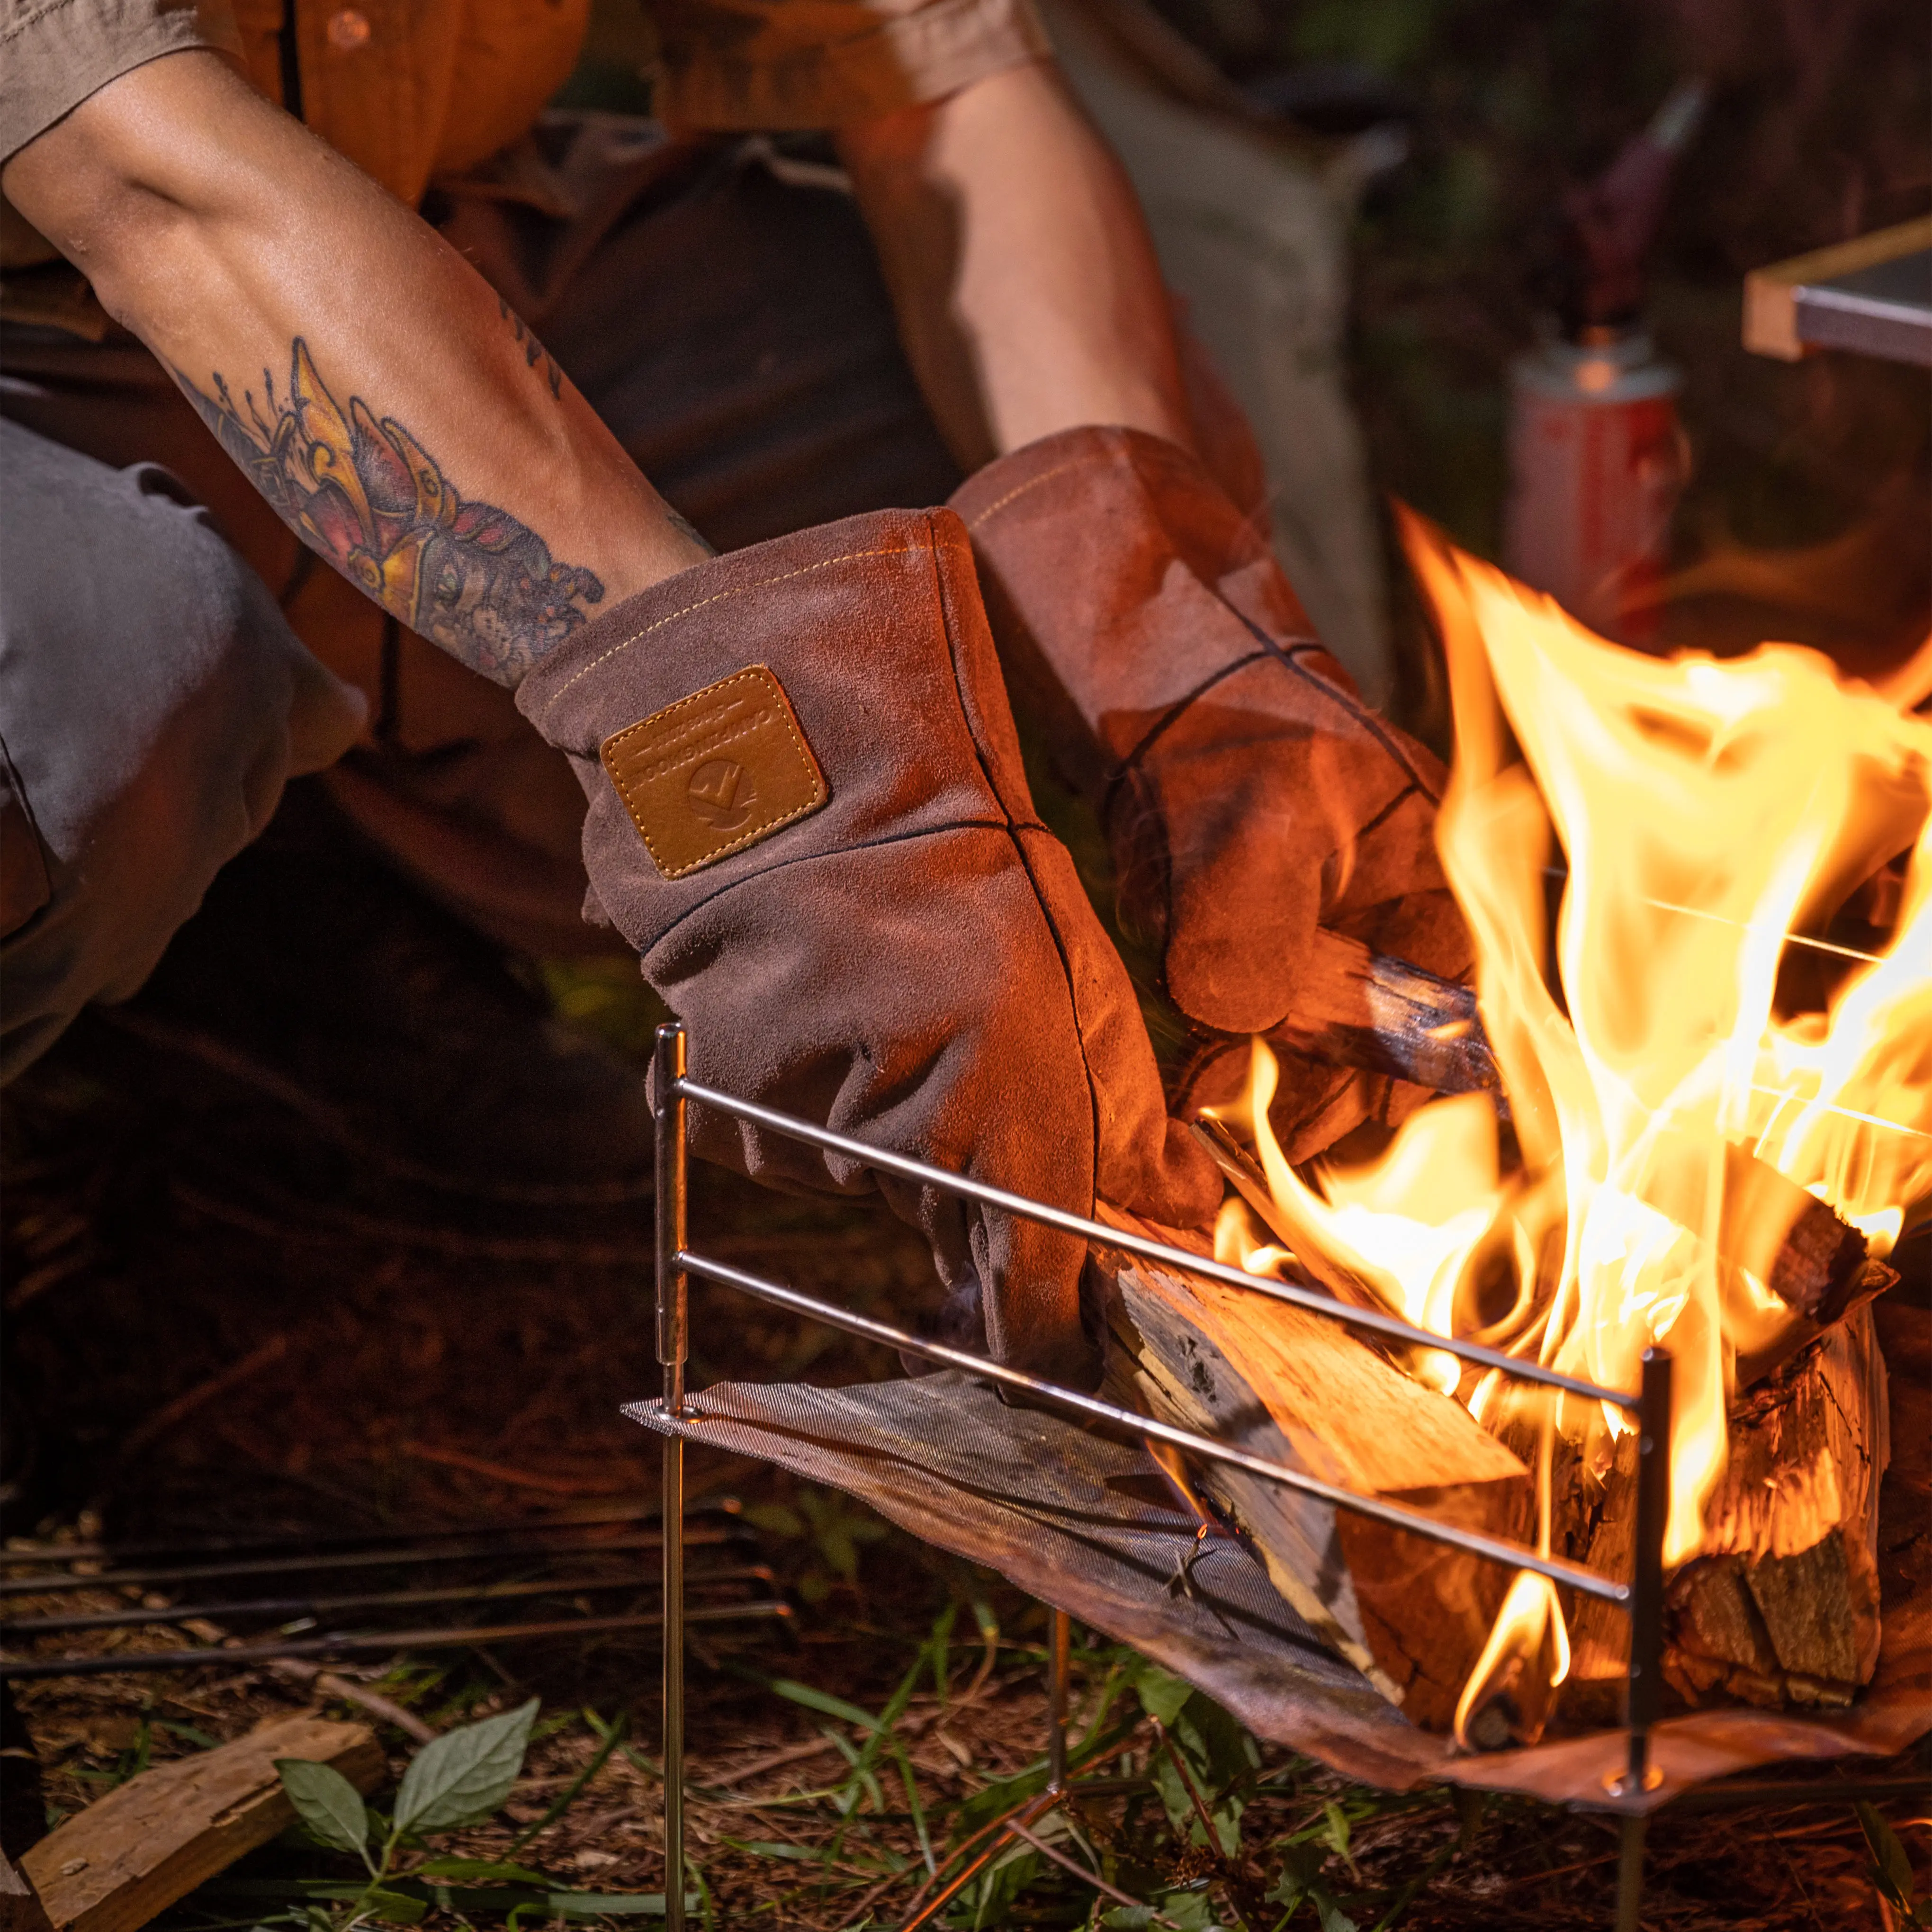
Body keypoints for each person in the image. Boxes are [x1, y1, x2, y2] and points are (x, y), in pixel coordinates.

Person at [0, 0, 1464, 1382]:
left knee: (976, 535)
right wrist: (756, 773)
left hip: (454, 245)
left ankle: (297, 909)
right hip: (40, 364)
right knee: (122, 684)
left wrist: (1157, 642)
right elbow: (157, 187)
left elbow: (937, 84)